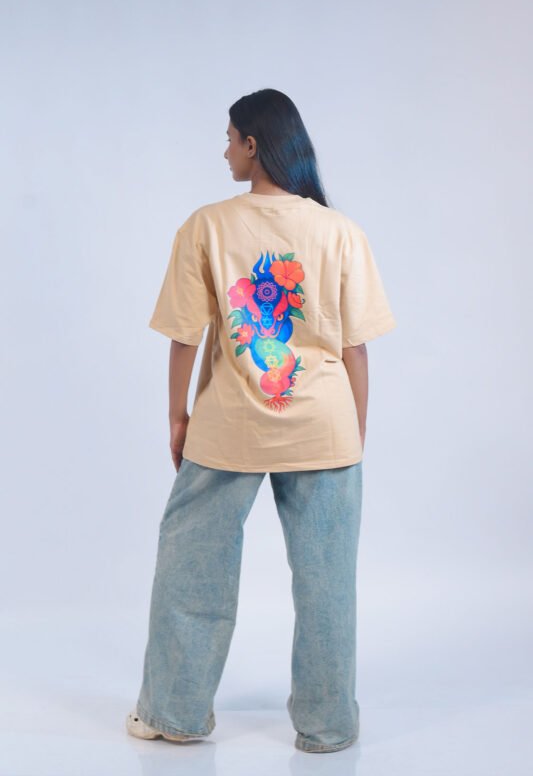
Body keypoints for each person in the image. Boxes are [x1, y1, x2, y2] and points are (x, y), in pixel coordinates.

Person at [125, 88, 397, 753]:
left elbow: (184, 336)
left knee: (192, 571)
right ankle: (329, 727)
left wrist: (177, 416)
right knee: (327, 583)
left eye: (229, 138)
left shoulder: (207, 226)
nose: (224, 151)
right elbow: (356, 349)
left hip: (228, 426)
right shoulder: (339, 231)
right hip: (326, 428)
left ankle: (173, 714)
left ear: (254, 143)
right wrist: (354, 432)